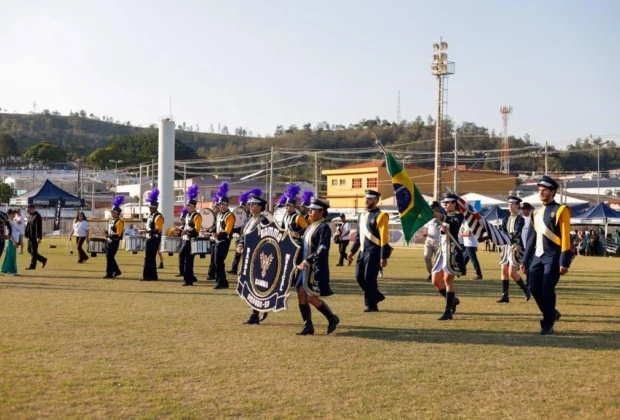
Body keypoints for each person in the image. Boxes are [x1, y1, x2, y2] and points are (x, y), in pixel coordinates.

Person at [521, 175, 573, 335]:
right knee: (533, 288)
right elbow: (530, 239)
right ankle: (552, 313)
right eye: (540, 190)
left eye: (544, 190)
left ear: (553, 191)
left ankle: (547, 323)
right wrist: (524, 260)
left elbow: (565, 237)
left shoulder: (561, 210)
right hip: (537, 257)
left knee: (547, 289)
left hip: (554, 257)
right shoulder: (535, 213)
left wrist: (565, 261)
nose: (541, 193)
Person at [295, 198, 339, 335]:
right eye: (309, 209)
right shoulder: (310, 226)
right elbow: (302, 244)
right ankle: (308, 325)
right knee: (301, 294)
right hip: (304, 267)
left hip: (315, 268)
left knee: (311, 298)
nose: (310, 211)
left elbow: (322, 248)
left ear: (322, 212)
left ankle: (332, 318)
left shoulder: (324, 227)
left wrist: (308, 261)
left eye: (313, 210)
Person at [347, 189, 390, 312]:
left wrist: (383, 256)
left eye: (370, 199)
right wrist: (352, 251)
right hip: (362, 251)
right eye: (366, 198)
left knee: (369, 279)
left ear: (376, 201)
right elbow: (358, 235)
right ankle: (377, 296)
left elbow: (384, 238)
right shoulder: (362, 215)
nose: (366, 201)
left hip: (374, 252)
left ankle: (372, 305)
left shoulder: (381, 216)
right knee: (359, 277)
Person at [431, 193, 465, 321]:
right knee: (435, 280)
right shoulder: (443, 218)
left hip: (452, 252)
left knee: (448, 279)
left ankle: (447, 311)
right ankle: (453, 300)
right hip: (442, 251)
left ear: (455, 204)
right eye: (444, 203)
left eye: (448, 202)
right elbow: (442, 231)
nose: (445, 204)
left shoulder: (458, 216)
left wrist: (440, 216)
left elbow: (452, 221)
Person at [241, 192, 272, 325]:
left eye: (253, 204)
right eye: (250, 204)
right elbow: (243, 235)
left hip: (257, 258)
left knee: (256, 285)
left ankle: (256, 313)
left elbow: (266, 240)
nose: (250, 206)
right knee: (249, 284)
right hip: (247, 256)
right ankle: (257, 311)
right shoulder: (249, 219)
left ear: (260, 207)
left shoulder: (263, 221)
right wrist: (240, 244)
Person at [497, 196, 531, 303]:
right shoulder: (505, 219)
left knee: (512, 273)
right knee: (504, 271)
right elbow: (502, 232)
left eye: (512, 205)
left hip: (515, 247)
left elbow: (517, 231)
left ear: (517, 206)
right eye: (509, 205)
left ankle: (526, 290)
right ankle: (505, 295)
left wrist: (515, 243)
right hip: (506, 247)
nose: (510, 207)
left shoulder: (520, 219)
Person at [212, 186, 236, 290]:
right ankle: (223, 282)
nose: (220, 206)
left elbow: (227, 230)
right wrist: (210, 231)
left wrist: (218, 235)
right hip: (217, 241)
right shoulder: (219, 215)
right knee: (217, 262)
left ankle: (221, 283)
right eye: (220, 204)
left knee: (219, 262)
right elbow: (216, 227)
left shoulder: (229, 215)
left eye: (222, 204)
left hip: (224, 241)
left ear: (227, 205)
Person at [180, 185, 202, 286]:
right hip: (185, 240)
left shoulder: (197, 216)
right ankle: (188, 277)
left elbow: (196, 230)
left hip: (191, 241)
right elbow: (186, 227)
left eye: (189, 206)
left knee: (188, 261)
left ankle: (188, 280)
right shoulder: (188, 215)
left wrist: (187, 233)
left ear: (194, 207)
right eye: (187, 206)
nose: (187, 207)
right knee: (183, 258)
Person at [141, 189, 164, 281]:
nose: (149, 209)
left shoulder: (158, 217)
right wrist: (146, 230)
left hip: (153, 239)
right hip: (149, 238)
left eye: (151, 207)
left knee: (149, 258)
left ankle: (148, 276)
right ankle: (152, 276)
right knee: (149, 258)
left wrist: (149, 231)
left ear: (155, 208)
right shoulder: (151, 216)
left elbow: (157, 230)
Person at [103, 196, 124, 278]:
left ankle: (109, 273)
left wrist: (110, 235)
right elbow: (110, 230)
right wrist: (106, 233)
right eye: (111, 212)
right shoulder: (111, 220)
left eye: (113, 212)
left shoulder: (119, 222)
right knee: (109, 257)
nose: (111, 213)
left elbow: (118, 233)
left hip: (114, 241)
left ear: (117, 213)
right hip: (109, 240)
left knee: (109, 257)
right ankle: (116, 271)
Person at [422, 201, 441, 281]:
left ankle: (435, 275)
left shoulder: (442, 217)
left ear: (437, 208)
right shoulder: (429, 217)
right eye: (431, 207)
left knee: (436, 260)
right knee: (426, 257)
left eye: (433, 207)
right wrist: (425, 233)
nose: (432, 209)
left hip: (438, 242)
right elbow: (426, 228)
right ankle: (431, 273)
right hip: (429, 241)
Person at [24, 204, 47, 270]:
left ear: (32, 209)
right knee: (29, 250)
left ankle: (32, 266)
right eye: (27, 211)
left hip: (34, 237)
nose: (27, 212)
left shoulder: (37, 216)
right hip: (30, 237)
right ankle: (43, 259)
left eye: (28, 210)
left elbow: (38, 228)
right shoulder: (31, 216)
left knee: (34, 252)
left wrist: (38, 237)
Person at [2, 209, 20, 276]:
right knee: (9, 256)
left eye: (14, 213)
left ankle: (13, 270)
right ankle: (8, 271)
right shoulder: (8, 222)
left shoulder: (13, 222)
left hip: (15, 241)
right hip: (10, 241)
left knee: (13, 256)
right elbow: (9, 233)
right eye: (12, 213)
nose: (14, 215)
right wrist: (13, 241)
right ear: (8, 214)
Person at [175, 207, 189, 277]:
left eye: (182, 220)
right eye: (180, 219)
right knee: (181, 257)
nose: (181, 221)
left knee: (185, 258)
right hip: (182, 242)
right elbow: (179, 235)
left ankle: (185, 272)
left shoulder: (186, 226)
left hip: (186, 242)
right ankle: (181, 272)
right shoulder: (181, 226)